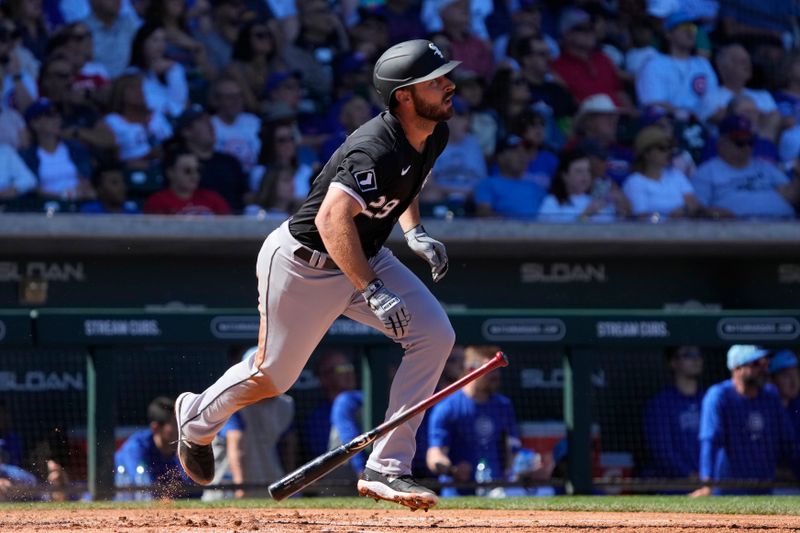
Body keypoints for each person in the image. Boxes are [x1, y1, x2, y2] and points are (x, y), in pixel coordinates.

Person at [174, 39, 459, 511]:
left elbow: (407, 183)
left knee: (435, 335)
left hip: (364, 255)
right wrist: (371, 287)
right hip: (304, 262)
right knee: (272, 377)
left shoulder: (434, 131)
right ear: (404, 96)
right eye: (436, 79)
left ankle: (387, 467)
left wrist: (415, 231)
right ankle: (196, 420)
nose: (449, 83)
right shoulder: (373, 147)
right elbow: (331, 220)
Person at [425, 345, 545, 496]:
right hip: (457, 494)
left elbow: (513, 451)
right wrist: (452, 469)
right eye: (491, 369)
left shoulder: (503, 405)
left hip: (496, 491)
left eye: (498, 368)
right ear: (471, 370)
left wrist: (530, 464)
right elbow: (435, 455)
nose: (496, 375)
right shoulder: (447, 407)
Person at [691, 345, 800, 496]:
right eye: (756, 364)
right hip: (727, 491)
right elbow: (710, 441)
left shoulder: (770, 396)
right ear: (737, 368)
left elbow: (790, 445)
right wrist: (707, 483)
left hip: (765, 490)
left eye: (765, 363)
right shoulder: (718, 396)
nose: (763, 369)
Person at [204, 347, 297, 500]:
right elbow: (236, 445)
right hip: (226, 485)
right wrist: (240, 487)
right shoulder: (231, 400)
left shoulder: (284, 405)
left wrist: (291, 481)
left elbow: (290, 446)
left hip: (267, 480)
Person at [693, 114, 799, 219]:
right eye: (740, 142)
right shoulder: (706, 172)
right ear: (722, 143)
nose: (747, 147)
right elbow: (698, 210)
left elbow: (790, 194)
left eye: (751, 141)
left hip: (784, 222)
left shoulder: (766, 167)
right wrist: (716, 214)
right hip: (736, 229)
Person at [636, 11, 718, 122]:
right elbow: (653, 104)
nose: (690, 31)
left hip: (701, 125)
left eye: (692, 27)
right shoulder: (654, 64)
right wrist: (681, 114)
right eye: (684, 27)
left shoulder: (702, 64)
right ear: (668, 34)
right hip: (665, 125)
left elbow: (713, 102)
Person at [642, 346, 704, 480]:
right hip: (674, 486)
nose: (695, 359)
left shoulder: (709, 400)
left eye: (697, 354)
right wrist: (690, 475)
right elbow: (662, 451)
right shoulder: (660, 403)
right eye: (688, 355)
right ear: (673, 363)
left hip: (710, 482)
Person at [174, 104, 249, 213]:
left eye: (209, 119)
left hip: (234, 224)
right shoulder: (180, 164)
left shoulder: (230, 162)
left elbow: (245, 196)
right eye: (201, 121)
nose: (210, 124)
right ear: (187, 131)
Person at [20, 98, 95, 201]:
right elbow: (32, 188)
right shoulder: (27, 156)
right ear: (34, 123)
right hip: (46, 209)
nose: (57, 119)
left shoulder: (75, 148)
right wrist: (63, 197)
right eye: (49, 115)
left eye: (58, 115)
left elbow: (85, 180)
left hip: (77, 203)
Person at [623, 125, 701, 220]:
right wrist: (667, 217)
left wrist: (684, 211)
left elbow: (694, 203)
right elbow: (641, 217)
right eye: (662, 148)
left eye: (669, 148)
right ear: (646, 153)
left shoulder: (676, 175)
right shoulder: (634, 182)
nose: (668, 152)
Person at [114, 396, 185, 500]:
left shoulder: (179, 449)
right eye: (174, 424)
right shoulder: (137, 446)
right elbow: (140, 483)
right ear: (156, 427)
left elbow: (189, 487)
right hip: (120, 503)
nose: (180, 429)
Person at [300, 349, 357, 462]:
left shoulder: (363, 403)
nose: (348, 373)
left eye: (349, 367)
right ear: (324, 378)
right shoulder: (317, 418)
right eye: (340, 369)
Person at [143, 143, 231, 215]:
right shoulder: (158, 201)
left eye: (198, 170)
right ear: (171, 172)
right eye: (187, 171)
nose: (195, 175)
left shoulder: (213, 199)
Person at [537, 149, 624, 222]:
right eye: (579, 171)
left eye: (588, 170)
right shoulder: (552, 202)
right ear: (565, 176)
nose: (585, 176)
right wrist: (586, 215)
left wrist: (620, 208)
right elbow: (548, 235)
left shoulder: (595, 201)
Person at [474, 134, 546, 219]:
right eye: (516, 151)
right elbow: (483, 214)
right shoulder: (487, 184)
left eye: (525, 151)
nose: (522, 156)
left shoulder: (536, 187)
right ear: (500, 157)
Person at [769, 349, 800, 431]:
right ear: (772, 379)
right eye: (786, 375)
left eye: (796, 374)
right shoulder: (764, 409)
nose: (793, 381)